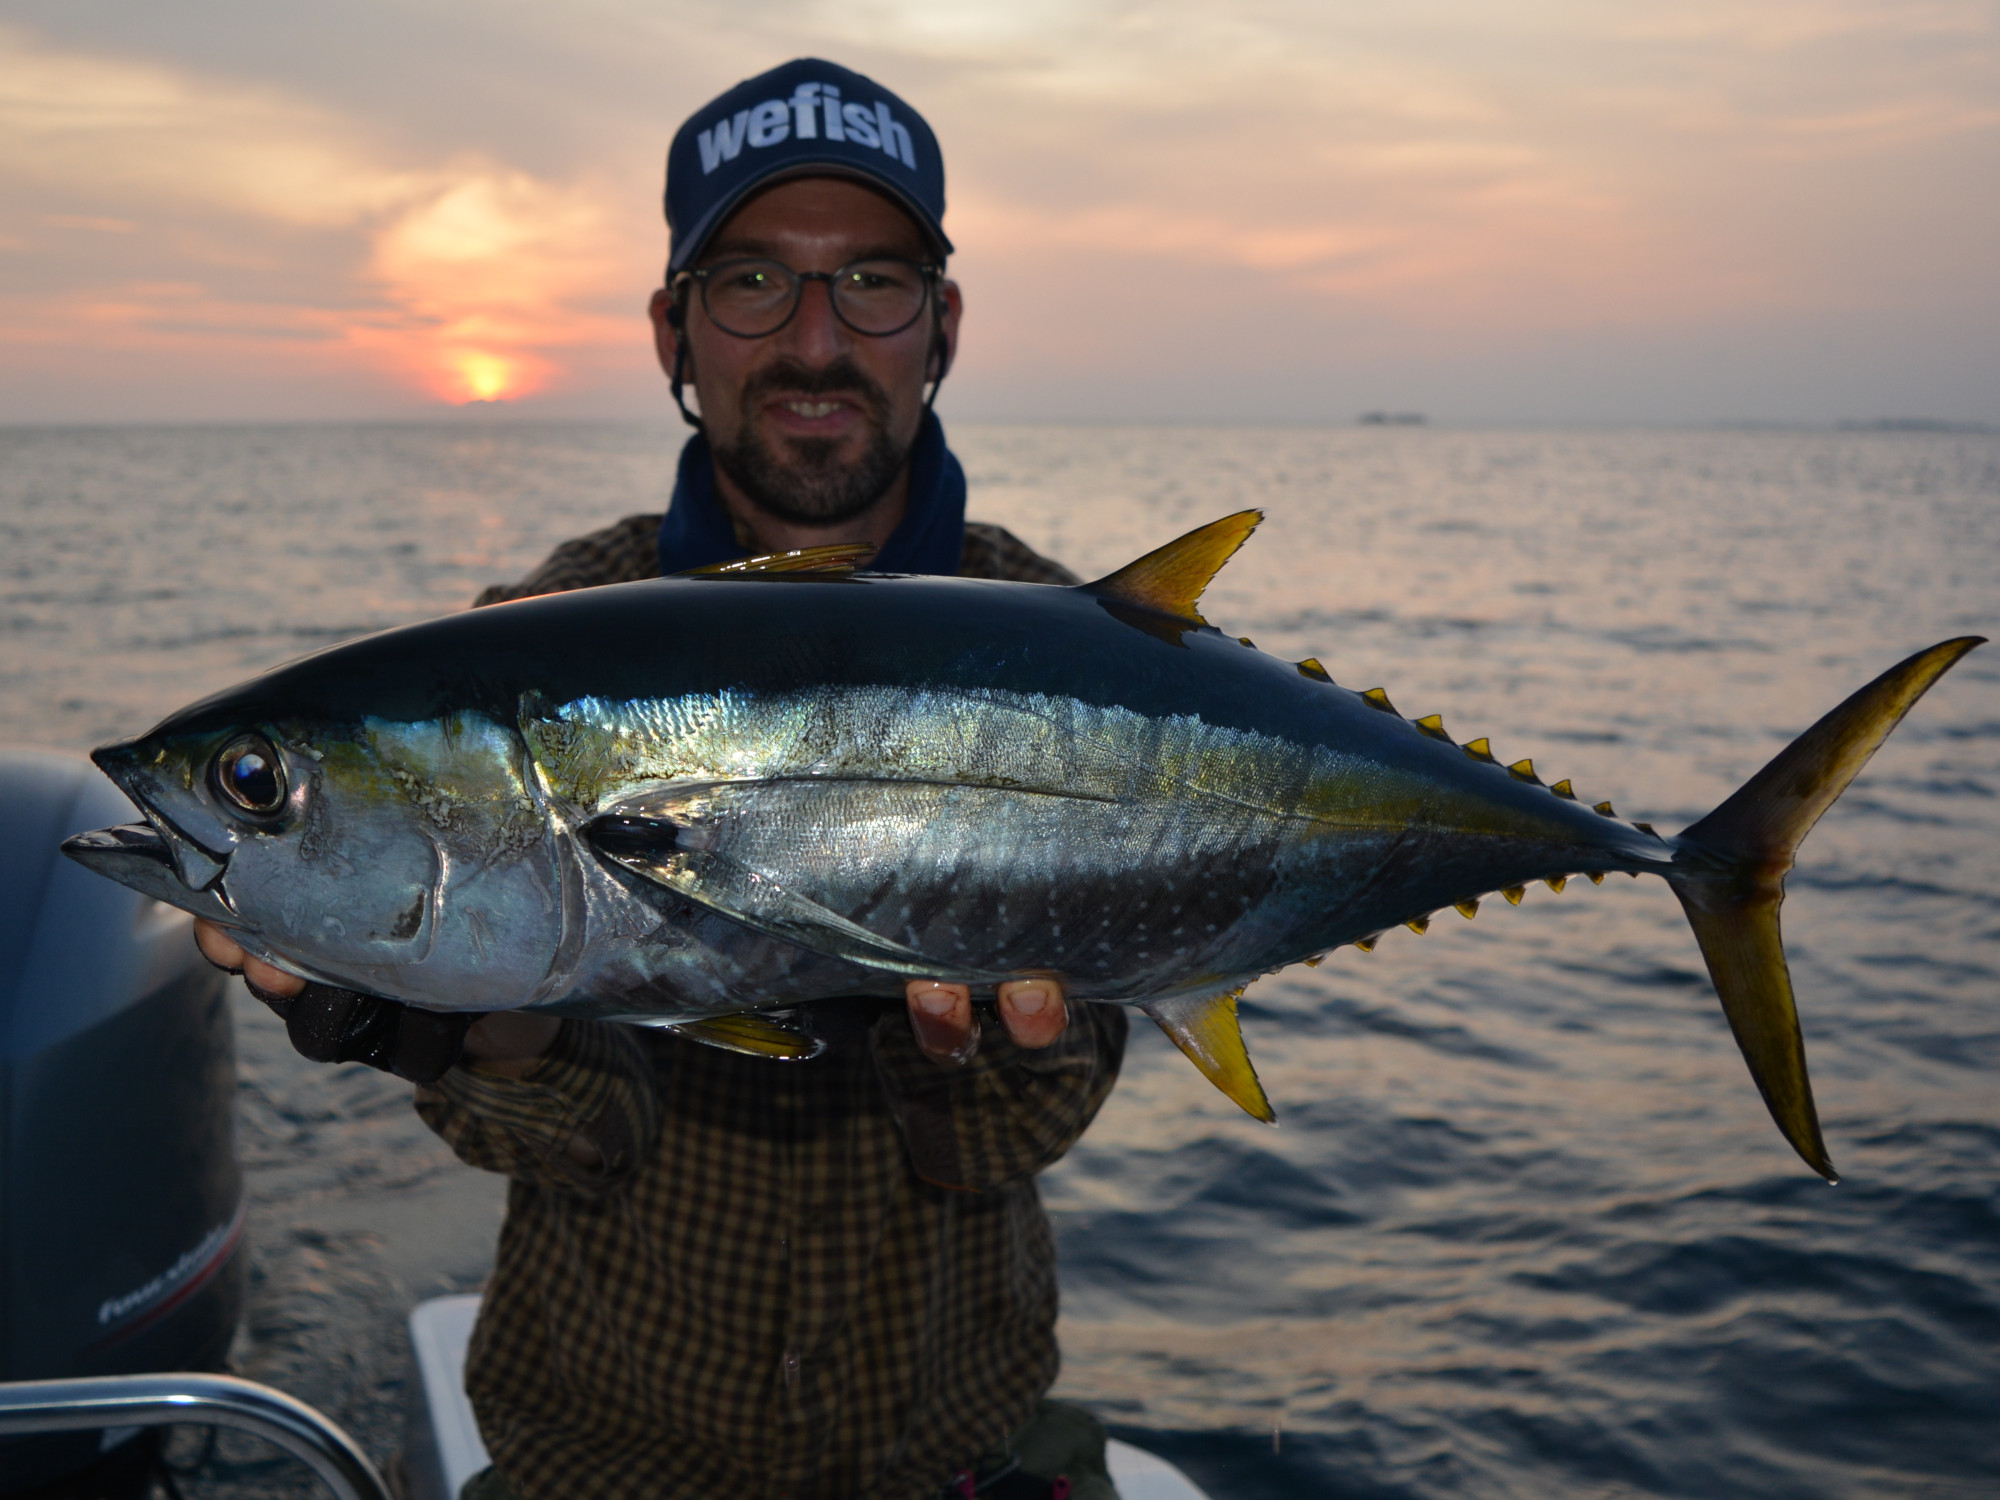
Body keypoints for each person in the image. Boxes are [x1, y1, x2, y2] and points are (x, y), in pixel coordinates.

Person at [194, 59, 1128, 1500]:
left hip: (961, 1457)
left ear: (940, 326)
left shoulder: (1083, 654)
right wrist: (473, 1027)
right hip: (601, 1460)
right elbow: (575, 1136)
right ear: (671, 331)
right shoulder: (527, 638)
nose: (815, 340)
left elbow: (1008, 1136)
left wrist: (977, 1047)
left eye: (872, 281)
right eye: (751, 281)